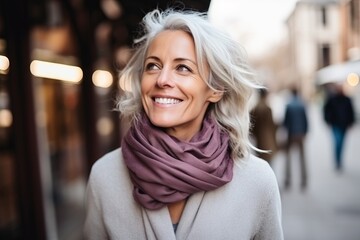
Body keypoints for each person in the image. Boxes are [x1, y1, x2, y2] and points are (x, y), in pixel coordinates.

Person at [84, 9, 283, 239]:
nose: (162, 79)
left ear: (215, 90)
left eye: (183, 68)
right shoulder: (105, 177)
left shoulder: (256, 181)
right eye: (153, 66)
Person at [324, 84, 355, 171]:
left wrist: (351, 122)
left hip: (344, 124)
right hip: (335, 124)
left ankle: (339, 160)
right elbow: (326, 110)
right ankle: (337, 161)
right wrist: (328, 120)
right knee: (337, 142)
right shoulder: (332, 99)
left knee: (341, 143)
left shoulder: (347, 99)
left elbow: (351, 111)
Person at [283, 88, 308, 190]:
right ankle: (304, 180)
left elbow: (285, 122)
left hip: (291, 134)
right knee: (302, 158)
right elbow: (306, 120)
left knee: (288, 158)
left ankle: (288, 179)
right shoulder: (302, 104)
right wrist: (305, 132)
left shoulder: (289, 105)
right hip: (300, 134)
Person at [251, 89, 278, 163]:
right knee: (269, 165)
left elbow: (252, 128)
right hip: (268, 140)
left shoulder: (254, 108)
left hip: (258, 141)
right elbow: (272, 127)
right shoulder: (267, 108)